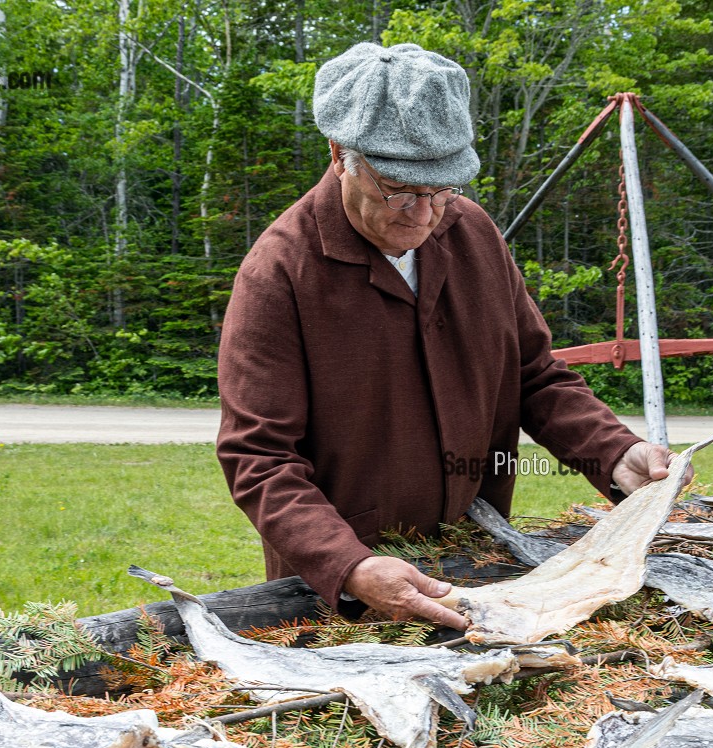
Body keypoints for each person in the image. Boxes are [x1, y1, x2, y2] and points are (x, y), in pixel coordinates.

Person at [216, 42, 683, 632]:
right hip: (343, 593)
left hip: (478, 557)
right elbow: (258, 457)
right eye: (398, 190)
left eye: (441, 190)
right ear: (339, 155)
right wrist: (350, 566)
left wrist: (614, 453)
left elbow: (534, 377)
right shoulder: (280, 273)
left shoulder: (474, 235)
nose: (423, 215)